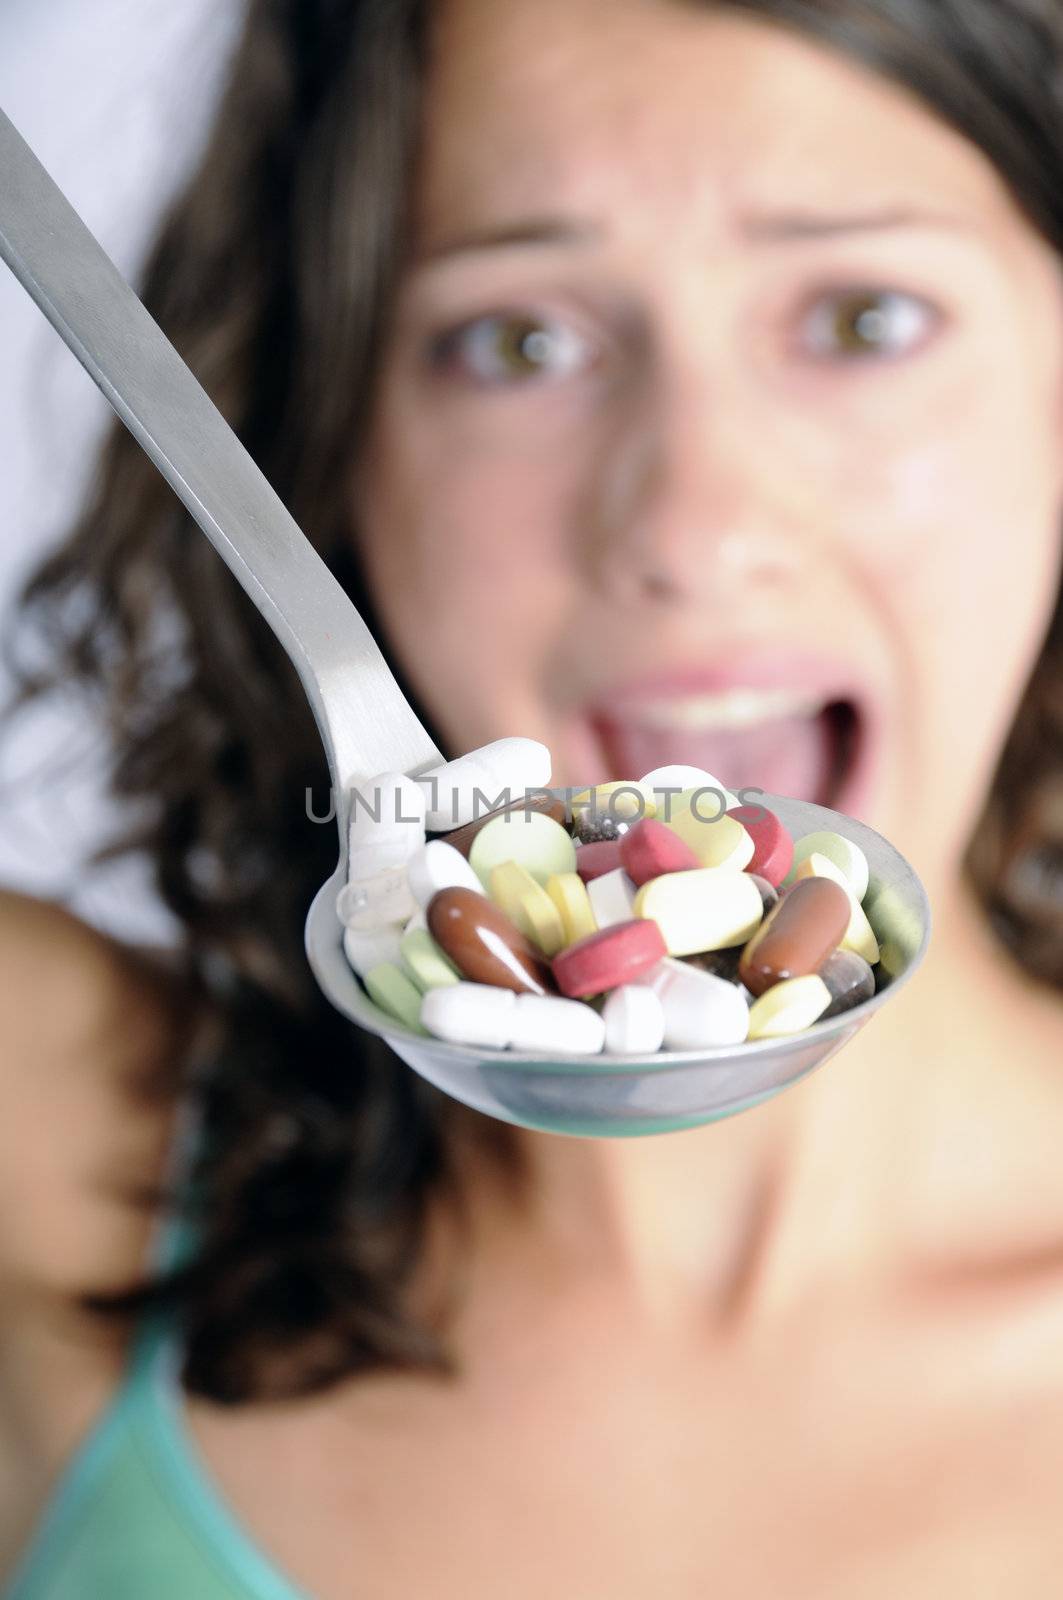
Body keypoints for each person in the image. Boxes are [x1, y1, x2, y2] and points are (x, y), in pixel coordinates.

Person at [3, 0, 1063, 1593]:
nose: (692, 520)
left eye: (862, 318)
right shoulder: (58, 1146)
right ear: (339, 435)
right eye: (520, 340)